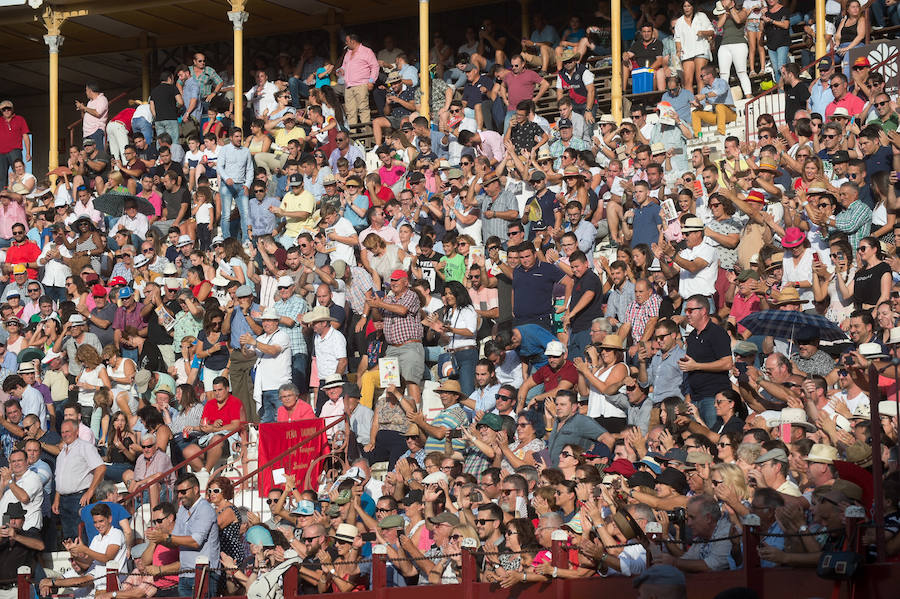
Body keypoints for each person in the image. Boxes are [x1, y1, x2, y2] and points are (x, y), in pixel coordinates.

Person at [144, 473, 220, 597]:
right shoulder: (183, 510)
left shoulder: (205, 509)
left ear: (195, 489)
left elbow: (195, 541)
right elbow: (174, 542)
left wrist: (165, 537)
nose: (179, 496)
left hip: (204, 574)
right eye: (177, 492)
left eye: (183, 492)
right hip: (185, 575)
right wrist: (157, 539)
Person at [53, 419, 106, 541]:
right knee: (69, 538)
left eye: (68, 431)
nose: (65, 434)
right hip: (63, 500)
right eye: (63, 432)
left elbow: (101, 468)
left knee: (82, 537)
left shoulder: (85, 447)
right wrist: (56, 499)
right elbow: (59, 478)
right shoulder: (62, 453)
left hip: (79, 498)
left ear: (76, 431)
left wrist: (90, 491)